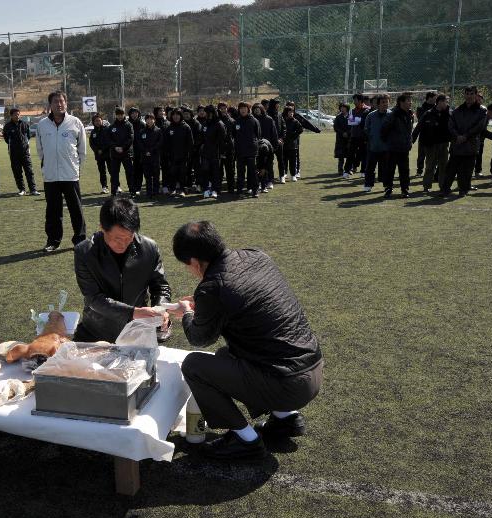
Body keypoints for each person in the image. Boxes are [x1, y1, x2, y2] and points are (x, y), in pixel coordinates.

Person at [169, 221, 323, 460]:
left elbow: (199, 338)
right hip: (312, 369)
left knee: (194, 366)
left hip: (286, 383)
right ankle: (286, 418)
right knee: (225, 357)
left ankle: (245, 439)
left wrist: (188, 312)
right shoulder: (257, 256)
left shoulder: (212, 286)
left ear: (195, 262)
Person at [73, 197, 172, 343]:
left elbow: (160, 286)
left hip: (137, 328)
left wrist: (160, 309)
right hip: (97, 330)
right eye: (117, 238)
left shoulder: (149, 248)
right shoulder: (85, 252)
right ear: (102, 228)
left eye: (129, 237)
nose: (123, 244)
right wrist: (132, 312)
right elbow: (93, 298)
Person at [36, 90, 87, 253]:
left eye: (62, 101)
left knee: (75, 208)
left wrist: (76, 167)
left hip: (70, 174)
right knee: (52, 210)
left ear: (66, 103)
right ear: (50, 105)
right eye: (55, 101)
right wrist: (46, 165)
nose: (59, 104)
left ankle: (80, 239)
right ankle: (53, 241)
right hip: (51, 175)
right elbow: (40, 149)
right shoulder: (42, 125)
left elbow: (82, 150)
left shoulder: (75, 122)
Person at [442, 86, 487, 196]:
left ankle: (463, 190)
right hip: (457, 144)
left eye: (471, 93)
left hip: (471, 144)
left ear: (476, 95)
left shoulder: (482, 110)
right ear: (464, 95)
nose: (469, 96)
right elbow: (451, 125)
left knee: (466, 170)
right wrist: (457, 136)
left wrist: (466, 136)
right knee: (451, 169)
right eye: (467, 93)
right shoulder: (457, 110)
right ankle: (445, 189)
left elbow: (480, 127)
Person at [412, 94, 451, 193]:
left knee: (443, 166)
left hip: (444, 144)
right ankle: (426, 186)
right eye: (445, 101)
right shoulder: (428, 113)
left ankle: (443, 186)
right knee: (430, 166)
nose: (447, 104)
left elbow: (453, 127)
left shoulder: (448, 114)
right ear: (440, 102)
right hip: (431, 144)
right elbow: (418, 127)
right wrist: (411, 140)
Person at [381, 92, 414, 198]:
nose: (410, 102)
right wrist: (390, 142)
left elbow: (409, 131)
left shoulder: (410, 114)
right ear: (401, 102)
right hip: (393, 148)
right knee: (390, 169)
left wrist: (409, 141)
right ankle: (388, 188)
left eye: (410, 100)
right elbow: (384, 130)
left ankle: (405, 189)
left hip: (404, 148)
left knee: (404, 170)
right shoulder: (393, 114)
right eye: (408, 100)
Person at [2, 108, 38, 196]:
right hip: (14, 153)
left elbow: (28, 136)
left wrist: (24, 145)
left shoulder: (25, 124)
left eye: (18, 114)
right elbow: (6, 139)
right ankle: (22, 189)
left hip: (25, 152)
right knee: (17, 172)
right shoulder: (7, 126)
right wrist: (14, 146)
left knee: (29, 171)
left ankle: (33, 189)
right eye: (15, 114)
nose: (17, 116)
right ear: (11, 115)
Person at [284, 101, 321, 178]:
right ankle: (284, 172)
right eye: (289, 106)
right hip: (284, 140)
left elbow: (307, 124)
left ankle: (297, 171)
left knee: (295, 155)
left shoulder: (297, 116)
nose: (291, 107)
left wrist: (315, 129)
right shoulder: (282, 116)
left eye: (292, 106)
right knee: (284, 156)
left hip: (294, 140)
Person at [363, 94, 391, 194]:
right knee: (370, 167)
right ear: (377, 104)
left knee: (386, 168)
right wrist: (370, 138)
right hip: (373, 146)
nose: (385, 104)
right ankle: (368, 184)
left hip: (387, 148)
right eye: (383, 102)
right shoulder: (371, 116)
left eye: (387, 102)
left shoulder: (391, 115)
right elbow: (366, 129)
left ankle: (387, 185)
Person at [233, 101, 261, 196]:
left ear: (248, 109)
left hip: (251, 151)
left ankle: (255, 190)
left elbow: (258, 135)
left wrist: (253, 146)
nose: (243, 110)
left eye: (244, 108)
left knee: (252, 172)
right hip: (240, 151)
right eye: (241, 108)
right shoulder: (236, 121)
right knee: (240, 173)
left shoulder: (254, 121)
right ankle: (240, 191)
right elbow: (234, 135)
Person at [165, 108, 194, 197]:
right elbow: (166, 143)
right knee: (172, 173)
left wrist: (189, 155)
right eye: (174, 115)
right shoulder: (169, 127)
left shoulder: (186, 127)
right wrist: (168, 154)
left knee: (183, 174)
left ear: (181, 116)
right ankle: (173, 189)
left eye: (177, 115)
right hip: (172, 156)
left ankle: (182, 190)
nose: (175, 116)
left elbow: (190, 143)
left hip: (184, 156)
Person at [108, 107, 135, 197]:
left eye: (121, 114)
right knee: (114, 173)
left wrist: (123, 147)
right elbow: (109, 139)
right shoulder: (112, 127)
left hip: (126, 153)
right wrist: (115, 147)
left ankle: (132, 191)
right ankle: (114, 191)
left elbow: (130, 138)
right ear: (116, 115)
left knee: (129, 172)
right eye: (118, 114)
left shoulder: (128, 125)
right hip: (115, 154)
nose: (120, 116)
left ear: (124, 114)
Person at [200, 105, 226, 198]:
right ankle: (206, 189)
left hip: (216, 153)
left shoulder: (219, 124)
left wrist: (222, 153)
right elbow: (202, 137)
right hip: (206, 152)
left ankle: (215, 190)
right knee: (205, 171)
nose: (205, 114)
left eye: (207, 112)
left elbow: (222, 140)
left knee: (215, 172)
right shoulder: (205, 123)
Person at [253, 103, 277, 192]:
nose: (256, 110)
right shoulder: (252, 120)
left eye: (258, 109)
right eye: (254, 109)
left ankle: (270, 181)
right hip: (256, 146)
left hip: (268, 146)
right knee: (257, 165)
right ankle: (259, 183)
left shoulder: (269, 119)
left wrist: (274, 146)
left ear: (261, 109)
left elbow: (274, 133)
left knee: (269, 165)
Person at [345, 93, 370, 176]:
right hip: (354, 135)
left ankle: (363, 171)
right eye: (354, 100)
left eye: (355, 100)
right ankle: (347, 170)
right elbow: (350, 121)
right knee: (350, 153)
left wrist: (356, 120)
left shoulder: (367, 110)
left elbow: (362, 122)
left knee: (364, 154)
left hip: (364, 136)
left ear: (360, 100)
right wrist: (357, 120)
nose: (354, 102)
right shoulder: (352, 110)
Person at [140, 113, 163, 198]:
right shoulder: (142, 131)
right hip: (145, 157)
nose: (149, 121)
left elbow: (160, 142)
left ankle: (156, 191)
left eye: (151, 119)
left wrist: (151, 150)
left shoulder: (158, 130)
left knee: (156, 175)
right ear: (145, 120)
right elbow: (140, 143)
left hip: (155, 156)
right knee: (147, 175)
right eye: (147, 119)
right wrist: (145, 151)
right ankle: (149, 192)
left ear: (154, 120)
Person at [415, 91, 438, 176]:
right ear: (430, 98)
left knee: (434, 155)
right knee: (421, 154)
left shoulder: (437, 108)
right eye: (435, 98)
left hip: (434, 135)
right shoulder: (421, 108)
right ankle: (419, 170)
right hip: (424, 135)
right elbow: (422, 121)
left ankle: (433, 170)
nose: (436, 100)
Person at [89, 113, 111, 194]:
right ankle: (104, 187)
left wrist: (103, 149)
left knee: (112, 171)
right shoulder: (93, 132)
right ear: (93, 122)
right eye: (96, 121)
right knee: (102, 172)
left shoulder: (107, 129)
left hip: (108, 154)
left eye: (99, 120)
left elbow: (109, 141)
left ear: (102, 121)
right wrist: (97, 150)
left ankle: (116, 186)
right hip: (99, 155)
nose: (98, 122)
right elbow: (91, 143)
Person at [266, 99, 287, 183]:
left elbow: (284, 127)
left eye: (278, 104)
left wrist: (282, 138)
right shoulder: (267, 114)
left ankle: (282, 176)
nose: (278, 106)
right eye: (277, 104)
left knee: (280, 160)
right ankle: (270, 179)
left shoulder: (279, 114)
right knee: (269, 161)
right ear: (273, 105)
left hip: (279, 142)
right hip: (269, 143)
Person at [217, 102, 236, 192]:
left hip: (229, 149)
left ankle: (231, 187)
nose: (223, 110)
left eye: (225, 108)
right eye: (221, 108)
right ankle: (218, 188)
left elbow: (235, 135)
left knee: (230, 169)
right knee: (218, 170)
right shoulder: (216, 121)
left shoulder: (231, 121)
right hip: (218, 149)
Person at [281, 106, 303, 182]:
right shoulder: (282, 120)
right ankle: (284, 174)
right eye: (290, 112)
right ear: (286, 112)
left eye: (292, 112)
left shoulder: (295, 121)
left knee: (293, 161)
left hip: (293, 145)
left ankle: (293, 175)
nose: (291, 113)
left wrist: (294, 135)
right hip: (284, 145)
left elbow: (301, 129)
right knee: (284, 160)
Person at [128, 107, 146, 194]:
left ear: (138, 114)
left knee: (139, 169)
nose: (134, 115)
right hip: (129, 150)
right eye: (132, 113)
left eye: (136, 113)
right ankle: (133, 187)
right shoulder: (128, 124)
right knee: (131, 170)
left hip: (139, 151)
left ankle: (138, 187)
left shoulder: (142, 124)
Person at [333, 103, 350, 176]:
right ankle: (340, 170)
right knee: (341, 155)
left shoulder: (351, 116)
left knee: (349, 155)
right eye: (341, 108)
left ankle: (348, 170)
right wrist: (342, 133)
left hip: (349, 138)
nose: (342, 109)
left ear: (347, 108)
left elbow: (353, 126)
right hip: (340, 139)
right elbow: (336, 127)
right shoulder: (338, 117)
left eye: (344, 107)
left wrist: (348, 133)